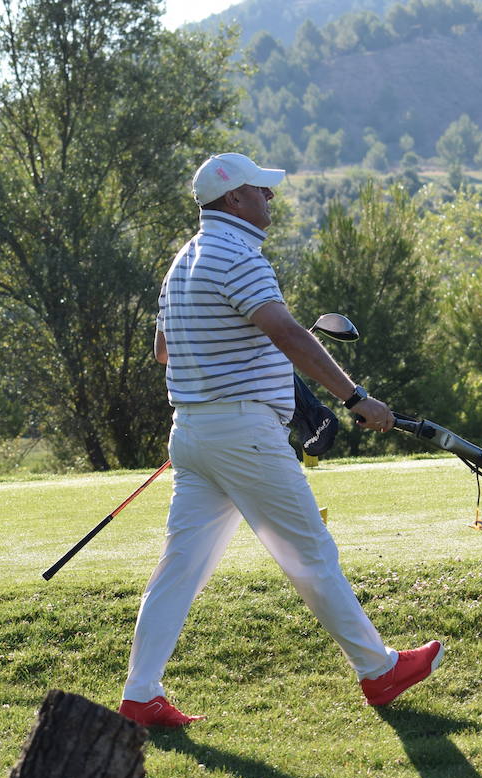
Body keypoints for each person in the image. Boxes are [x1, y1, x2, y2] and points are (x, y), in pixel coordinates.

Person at [117, 153, 443, 728]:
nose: (271, 199)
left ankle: (141, 694)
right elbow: (288, 333)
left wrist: (227, 358)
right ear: (233, 199)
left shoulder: (183, 261)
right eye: (261, 191)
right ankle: (379, 670)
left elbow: (164, 352)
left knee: (179, 568)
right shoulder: (239, 255)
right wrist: (354, 397)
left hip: (193, 433)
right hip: (243, 433)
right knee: (310, 552)